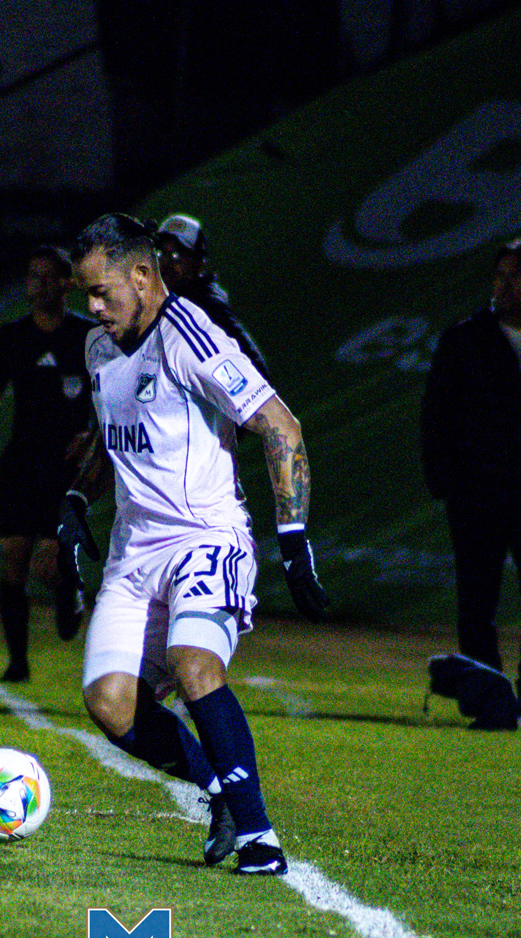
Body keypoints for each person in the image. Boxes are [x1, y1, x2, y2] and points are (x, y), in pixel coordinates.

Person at [59, 213, 327, 875]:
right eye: (86, 295)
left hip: (205, 536)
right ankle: (220, 792)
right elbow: (110, 437)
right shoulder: (98, 348)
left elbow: (280, 426)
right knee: (109, 703)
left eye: (100, 293)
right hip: (132, 555)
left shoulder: (190, 335)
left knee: (193, 660)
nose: (93, 308)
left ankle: (260, 837)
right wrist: (75, 501)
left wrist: (293, 538)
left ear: (141, 275)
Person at [421, 237, 521, 728]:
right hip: (477, 492)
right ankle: (489, 697)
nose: (504, 285)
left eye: (517, 276)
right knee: (477, 599)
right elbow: (437, 414)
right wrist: (445, 479)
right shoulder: (466, 338)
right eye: (500, 275)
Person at [0, 245, 95, 682]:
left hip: (66, 468)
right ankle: (17, 662)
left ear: (67, 283)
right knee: (13, 558)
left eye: (49, 276)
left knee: (46, 564)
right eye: (33, 275)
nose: (39, 284)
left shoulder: (87, 337)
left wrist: (92, 433)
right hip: (22, 463)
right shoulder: (12, 336)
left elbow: (113, 395)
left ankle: (69, 589)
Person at [156, 213, 271, 381]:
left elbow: (254, 366)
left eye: (176, 256)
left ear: (199, 263)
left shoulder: (206, 305)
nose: (166, 263)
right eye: (161, 254)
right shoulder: (164, 302)